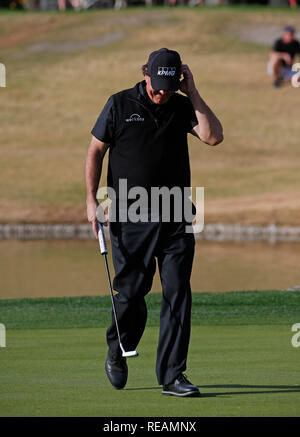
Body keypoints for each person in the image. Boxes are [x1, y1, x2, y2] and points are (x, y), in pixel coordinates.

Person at [85, 48, 223, 397]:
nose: (161, 92)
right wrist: (91, 200)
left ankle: (173, 376)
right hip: (130, 217)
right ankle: (119, 348)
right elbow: (95, 151)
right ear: (145, 73)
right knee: (132, 293)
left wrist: (192, 92)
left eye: (169, 86)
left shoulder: (180, 105)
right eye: (157, 85)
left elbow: (213, 136)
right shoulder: (119, 104)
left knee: (177, 293)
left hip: (176, 215)